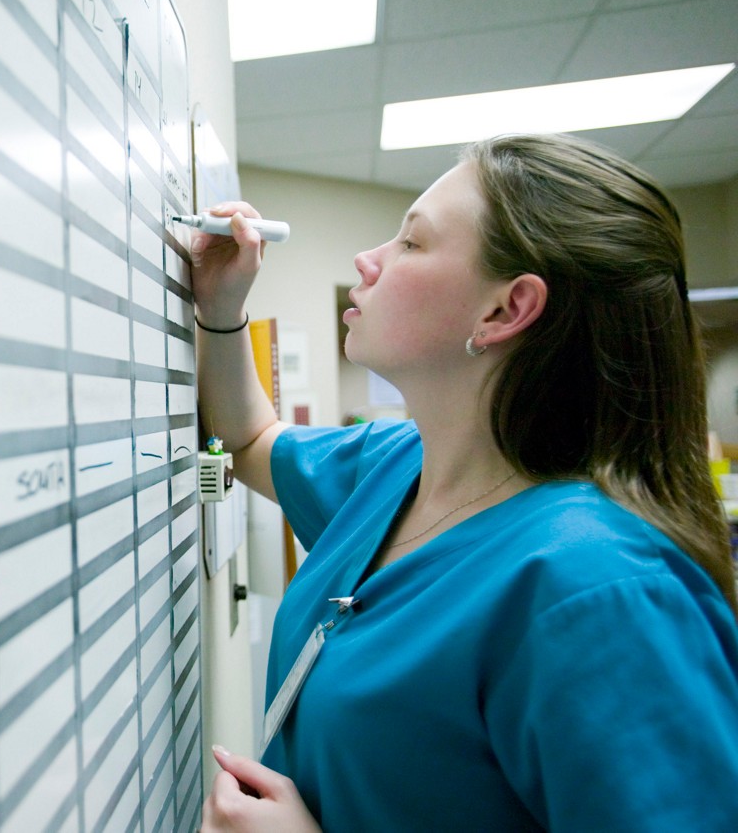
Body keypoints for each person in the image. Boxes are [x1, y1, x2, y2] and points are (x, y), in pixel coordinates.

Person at [193, 133, 738, 831]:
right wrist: (222, 303)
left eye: (412, 244)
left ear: (505, 310)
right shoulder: (394, 466)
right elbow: (247, 440)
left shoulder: (600, 591)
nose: (369, 260)